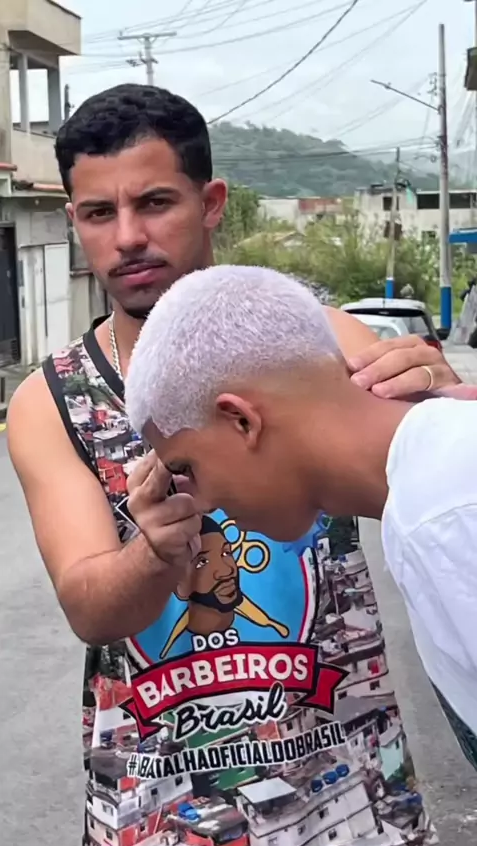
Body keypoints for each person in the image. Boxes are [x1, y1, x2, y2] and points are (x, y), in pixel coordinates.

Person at [7, 83, 459, 846]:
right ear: (74, 221)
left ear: (211, 202)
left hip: (350, 790)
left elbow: (432, 499)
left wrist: (438, 415)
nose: (128, 237)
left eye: (155, 203)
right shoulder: (52, 401)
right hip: (163, 811)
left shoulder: (317, 342)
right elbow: (90, 609)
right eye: (98, 213)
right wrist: (155, 551)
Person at [125, 263, 477, 773]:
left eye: (186, 468)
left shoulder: (442, 513)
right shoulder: (434, 485)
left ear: (241, 420)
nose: (199, 504)